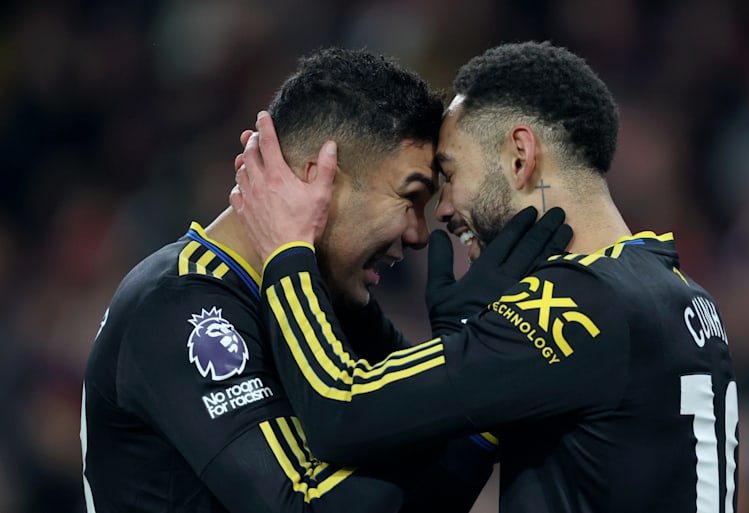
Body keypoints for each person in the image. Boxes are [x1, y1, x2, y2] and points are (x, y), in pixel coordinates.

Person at [232, 41, 739, 513]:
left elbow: (339, 409)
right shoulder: (679, 292)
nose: (445, 210)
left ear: (520, 155)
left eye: (450, 174)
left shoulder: (578, 304)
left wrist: (288, 248)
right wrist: (466, 345)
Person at [81, 46, 568, 513]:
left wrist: (470, 366)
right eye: (410, 197)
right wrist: (464, 372)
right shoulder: (178, 304)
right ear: (319, 181)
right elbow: (309, 507)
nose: (420, 236)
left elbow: (424, 493)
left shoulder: (332, 301)